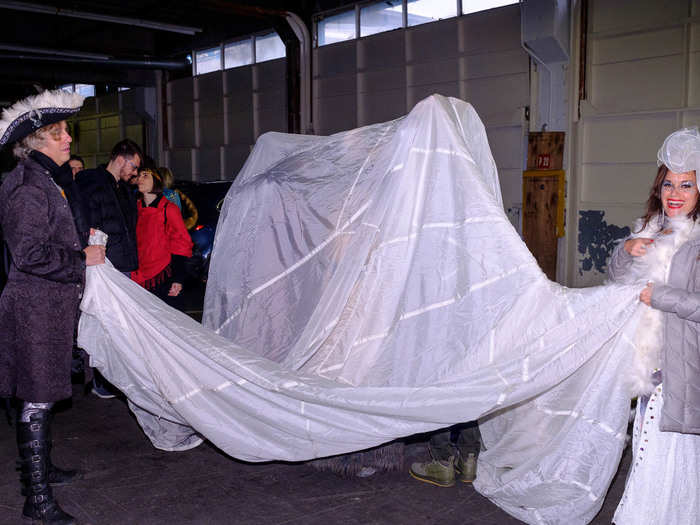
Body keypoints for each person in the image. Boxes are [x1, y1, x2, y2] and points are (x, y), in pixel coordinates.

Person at [0, 89, 105, 525]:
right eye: (58, 133)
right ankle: (36, 499)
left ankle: (41, 471)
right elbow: (29, 254)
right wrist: (82, 258)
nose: (68, 140)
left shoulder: (44, 180)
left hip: (48, 306)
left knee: (40, 394)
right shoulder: (27, 187)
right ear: (36, 141)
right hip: (34, 308)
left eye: (66, 132)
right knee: (37, 399)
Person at [608, 127, 700, 525]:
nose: (674, 193)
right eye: (667, 184)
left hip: (683, 368)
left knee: (668, 462)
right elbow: (616, 280)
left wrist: (660, 296)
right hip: (650, 367)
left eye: (686, 184)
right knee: (647, 456)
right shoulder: (652, 227)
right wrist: (625, 249)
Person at [76, 139, 141, 398]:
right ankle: (102, 379)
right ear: (122, 159)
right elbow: (89, 225)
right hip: (106, 265)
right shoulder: (92, 181)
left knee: (120, 327)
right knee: (106, 325)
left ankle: (115, 376)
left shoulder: (123, 189)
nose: (134, 172)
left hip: (122, 265)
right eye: (133, 166)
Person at [131, 165, 192, 308]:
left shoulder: (169, 209)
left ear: (156, 181)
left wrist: (178, 279)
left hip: (164, 277)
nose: (140, 179)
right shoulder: (135, 209)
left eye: (145, 175)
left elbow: (181, 245)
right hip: (139, 277)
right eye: (139, 175)